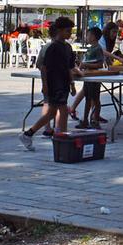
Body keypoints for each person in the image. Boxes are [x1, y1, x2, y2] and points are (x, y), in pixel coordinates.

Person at [20, 17, 77, 150]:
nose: (70, 34)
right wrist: (45, 85)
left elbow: (70, 67)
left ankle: (29, 134)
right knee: (62, 110)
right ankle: (62, 138)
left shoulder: (68, 48)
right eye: (68, 31)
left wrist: (72, 84)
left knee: (53, 113)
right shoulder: (52, 47)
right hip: (53, 83)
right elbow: (44, 67)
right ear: (60, 31)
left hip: (64, 84)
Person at [77, 26, 107, 129]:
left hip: (94, 77)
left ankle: (95, 119)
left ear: (94, 37)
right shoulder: (90, 48)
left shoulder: (98, 48)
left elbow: (100, 64)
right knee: (87, 99)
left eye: (88, 34)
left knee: (95, 99)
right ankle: (85, 120)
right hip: (87, 76)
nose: (86, 37)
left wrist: (86, 65)